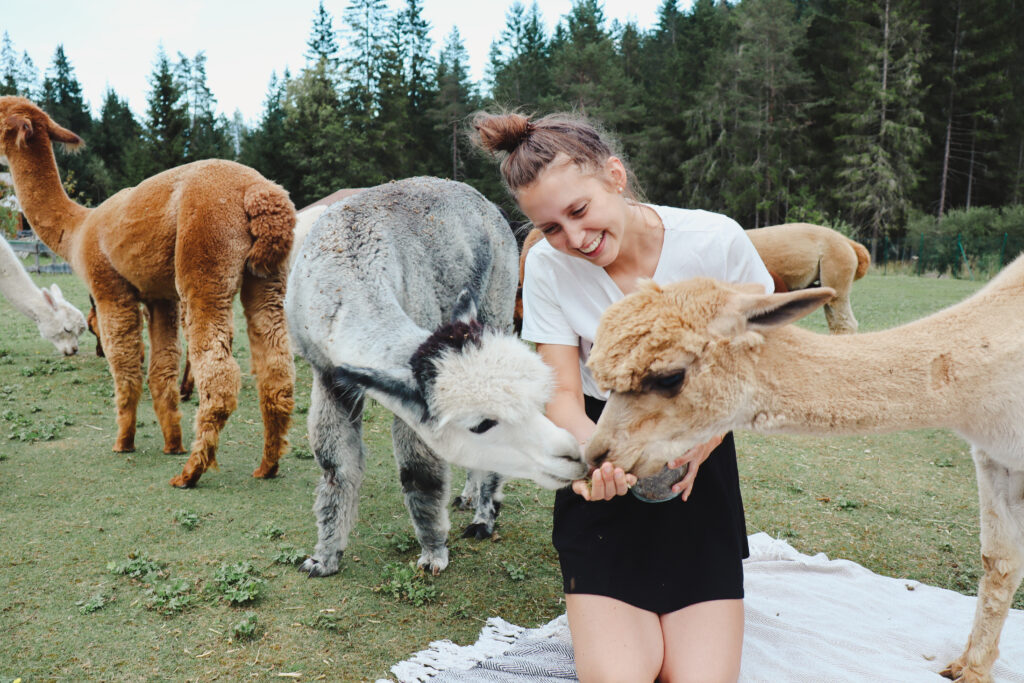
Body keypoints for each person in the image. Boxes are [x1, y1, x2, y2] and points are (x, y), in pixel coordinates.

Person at [472, 111, 775, 683]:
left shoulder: (715, 241)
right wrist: (598, 456)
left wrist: (703, 440)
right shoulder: (546, 266)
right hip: (600, 451)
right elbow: (561, 390)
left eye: (579, 211)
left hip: (693, 467)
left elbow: (759, 361)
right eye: (551, 226)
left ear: (615, 175)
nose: (574, 239)